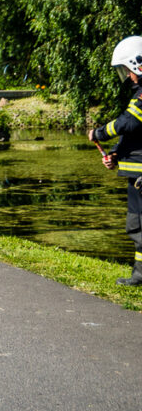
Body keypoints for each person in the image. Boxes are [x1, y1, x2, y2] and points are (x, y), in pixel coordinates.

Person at [88, 36, 142, 285]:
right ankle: (139, 275)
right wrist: (116, 155)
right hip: (136, 175)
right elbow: (133, 134)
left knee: (139, 225)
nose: (127, 76)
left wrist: (100, 133)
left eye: (128, 70)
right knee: (136, 226)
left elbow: (128, 123)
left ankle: (139, 276)